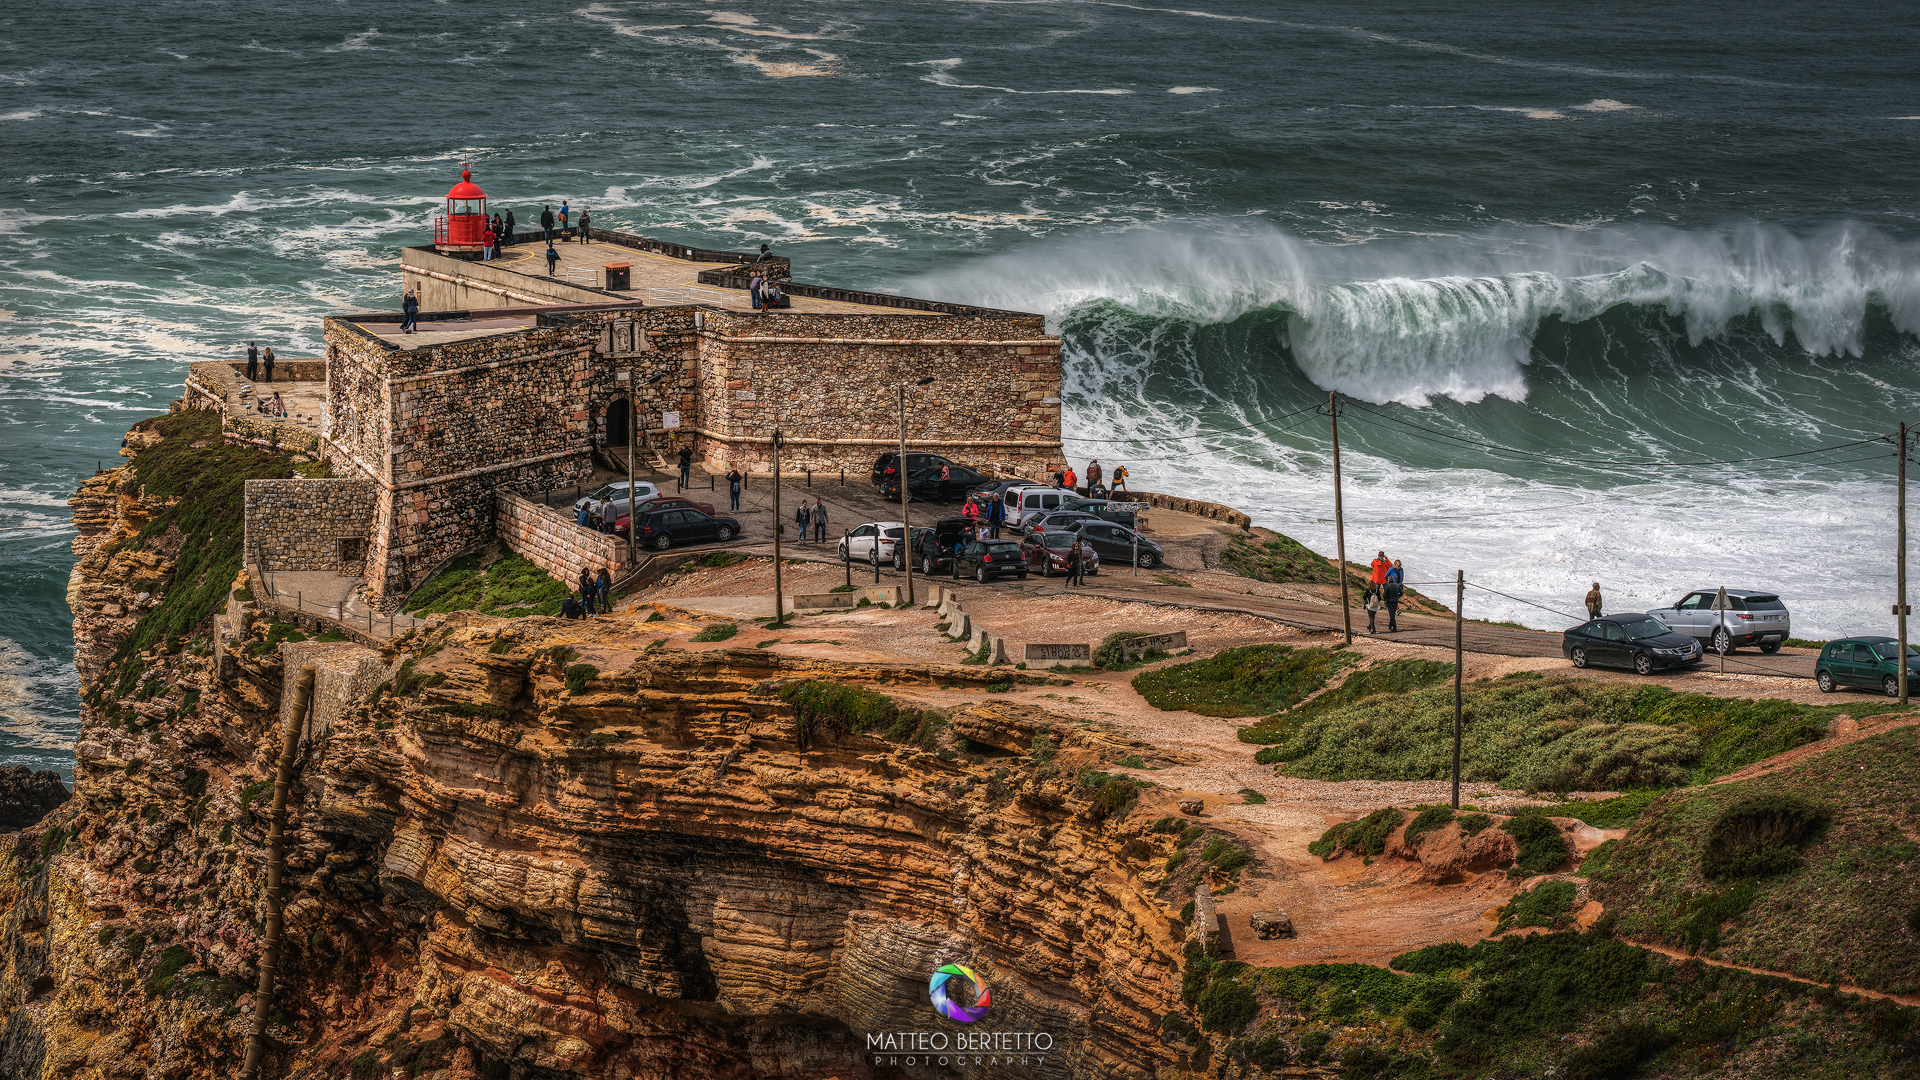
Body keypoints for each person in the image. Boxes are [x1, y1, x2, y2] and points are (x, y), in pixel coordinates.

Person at [1382, 567, 1405, 633]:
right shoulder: (1397, 586)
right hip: (1395, 601)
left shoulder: (1388, 586)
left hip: (1389, 601)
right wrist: (1398, 597)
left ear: (1389, 580)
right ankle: (1390, 625)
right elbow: (1402, 593)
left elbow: (1385, 594)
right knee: (1392, 614)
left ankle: (1394, 627)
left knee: (1391, 614)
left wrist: (1385, 599)